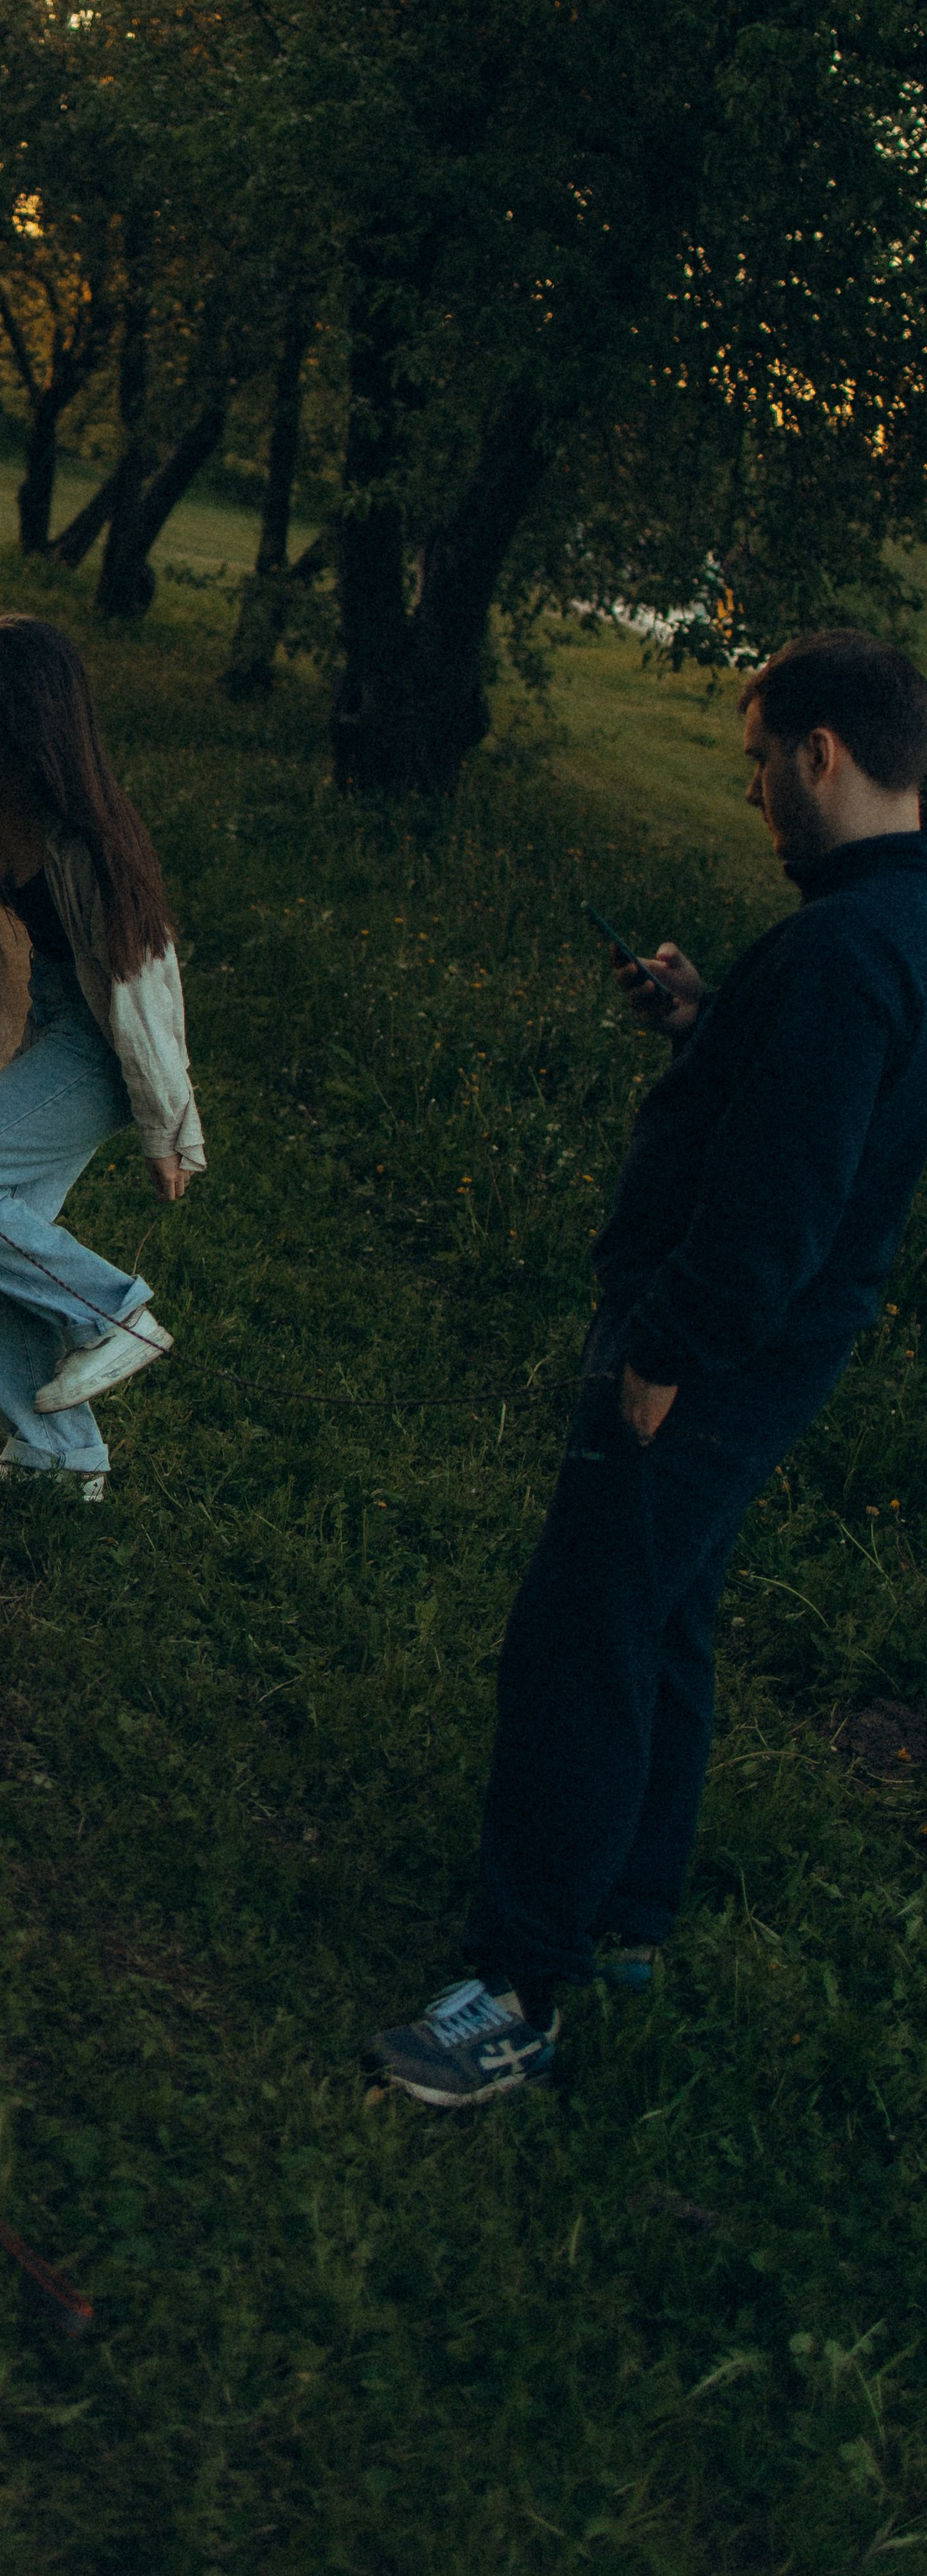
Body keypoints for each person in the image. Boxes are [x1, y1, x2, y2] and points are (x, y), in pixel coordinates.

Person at [369, 628, 927, 2108]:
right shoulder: (896, 929)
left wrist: (669, 1353)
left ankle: (519, 1986)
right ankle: (629, 1918)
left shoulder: (844, 949)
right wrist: (702, 1021)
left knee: (579, 1637)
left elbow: (785, 1199)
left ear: (821, 752)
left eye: (759, 767)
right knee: (667, 1619)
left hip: (712, 1350)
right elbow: (817, 1122)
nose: (757, 798)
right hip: (778, 1347)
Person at [0, 614, 205, 1493]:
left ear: (39, 718)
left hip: (102, 1047)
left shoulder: (88, 833)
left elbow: (146, 999)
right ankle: (61, 1459)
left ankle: (112, 1313)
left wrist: (166, 1128)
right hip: (45, 1023)